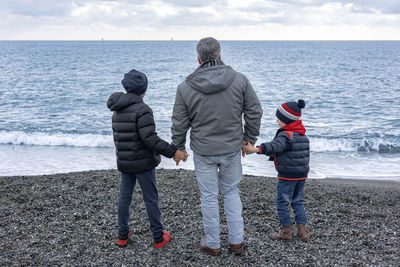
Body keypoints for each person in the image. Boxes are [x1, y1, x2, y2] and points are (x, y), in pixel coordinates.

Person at [171, 37, 263, 256]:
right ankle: (237, 241)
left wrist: (178, 148)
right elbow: (254, 110)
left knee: (209, 197)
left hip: (204, 151)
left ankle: (213, 244)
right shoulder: (239, 80)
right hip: (231, 148)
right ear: (220, 56)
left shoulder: (185, 87)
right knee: (231, 192)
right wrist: (250, 138)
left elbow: (179, 122)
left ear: (198, 58)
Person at [107, 69, 186, 248]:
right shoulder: (143, 109)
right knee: (151, 199)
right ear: (144, 90)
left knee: (124, 198)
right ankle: (158, 237)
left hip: (125, 161)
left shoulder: (117, 109)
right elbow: (150, 139)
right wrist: (173, 151)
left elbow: (120, 137)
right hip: (143, 163)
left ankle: (122, 236)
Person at [243, 99, 310, 241]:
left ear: (286, 120)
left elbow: (274, 146)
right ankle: (303, 232)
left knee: (282, 202)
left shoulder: (286, 135)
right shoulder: (302, 135)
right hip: (302, 174)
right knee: (298, 201)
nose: (277, 121)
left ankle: (286, 232)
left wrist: (256, 149)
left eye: (279, 118)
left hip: (287, 175)